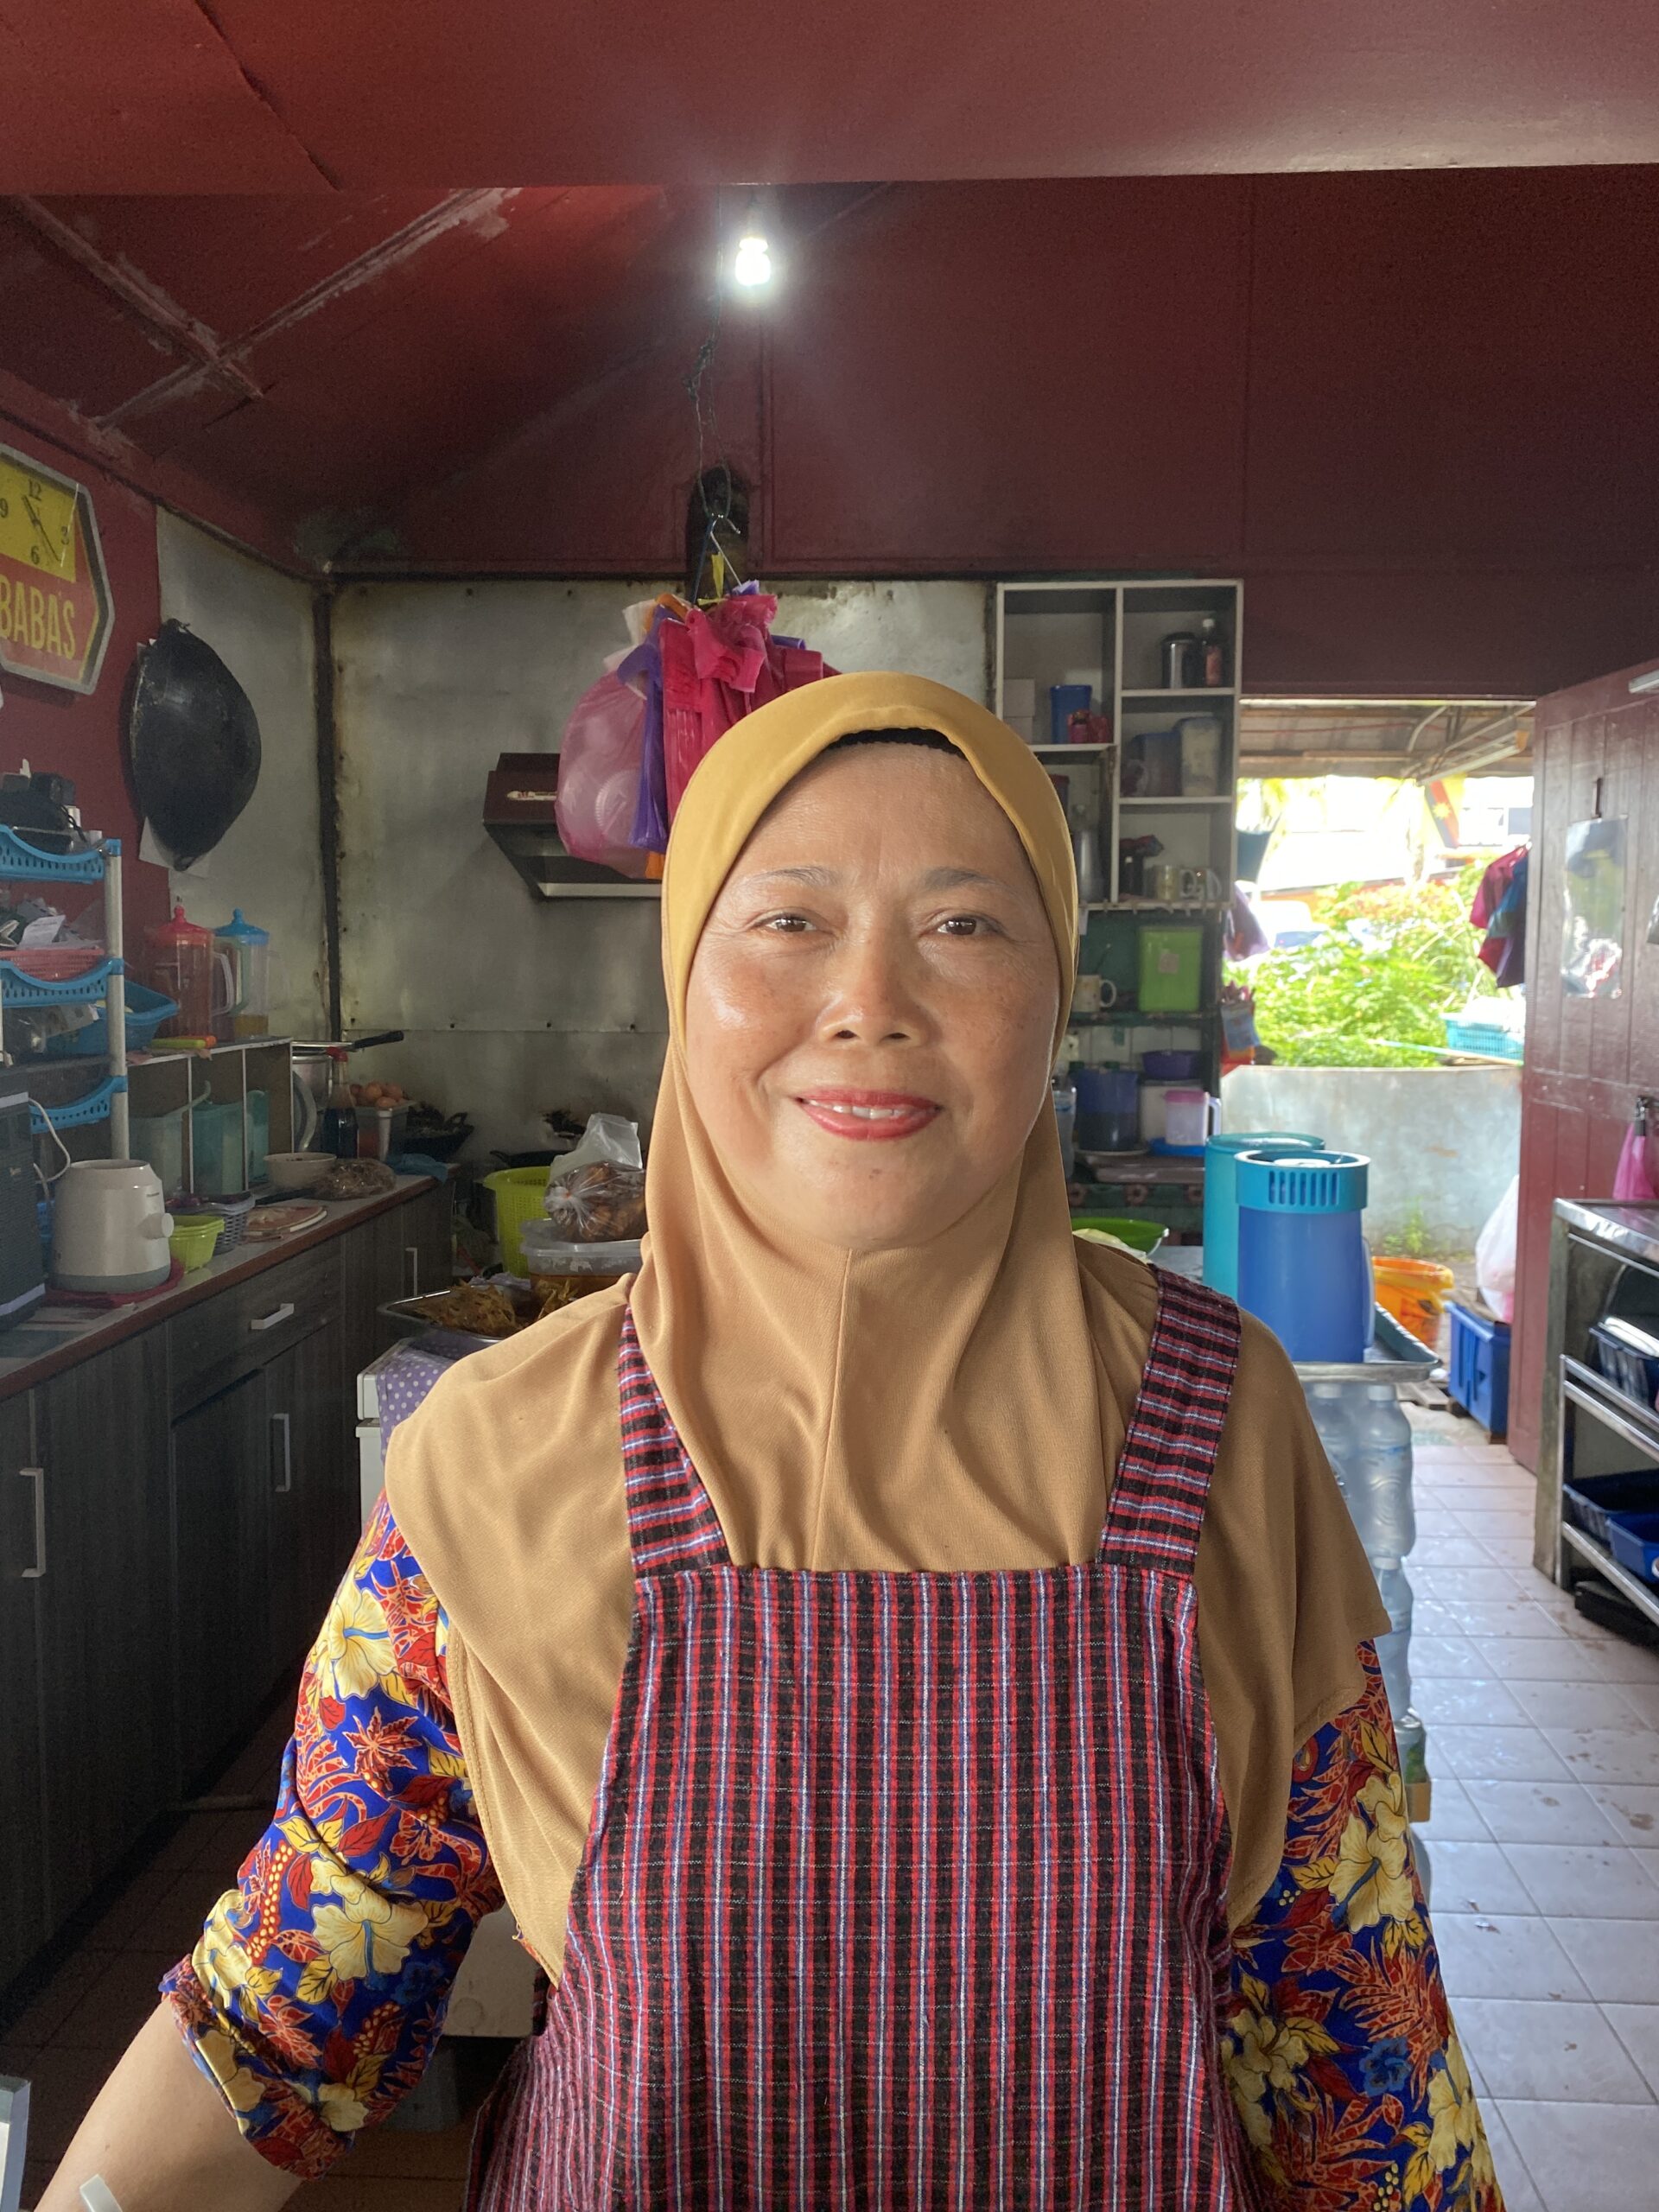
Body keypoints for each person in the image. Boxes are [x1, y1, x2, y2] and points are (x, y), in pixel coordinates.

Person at [41, 673, 1501, 2209]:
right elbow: (284, 2020)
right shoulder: (503, 1457)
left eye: (964, 924)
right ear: (687, 977)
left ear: (1057, 995)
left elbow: (1356, 2058)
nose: (870, 1000)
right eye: (790, 920)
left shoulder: (1221, 1423)